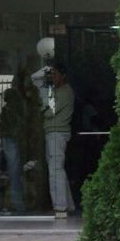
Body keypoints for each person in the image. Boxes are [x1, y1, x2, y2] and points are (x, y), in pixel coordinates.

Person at [42, 61, 76, 218]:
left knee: (55, 170)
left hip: (57, 133)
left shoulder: (64, 92)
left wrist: (42, 107)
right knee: (57, 168)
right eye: (51, 75)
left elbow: (50, 112)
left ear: (63, 76)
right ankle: (67, 204)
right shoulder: (58, 91)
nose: (52, 77)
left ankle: (60, 206)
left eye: (55, 74)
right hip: (54, 133)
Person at [0, 83, 26, 213]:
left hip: (9, 139)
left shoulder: (9, 110)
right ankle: (16, 203)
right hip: (10, 139)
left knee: (12, 171)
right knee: (14, 171)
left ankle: (15, 202)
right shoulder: (14, 110)